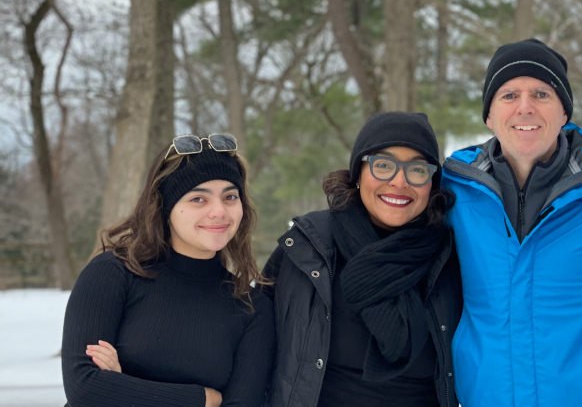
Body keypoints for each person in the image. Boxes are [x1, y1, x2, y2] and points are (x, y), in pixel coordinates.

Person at [442, 39, 582, 406]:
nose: (525, 108)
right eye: (508, 95)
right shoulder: (454, 192)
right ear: (489, 116)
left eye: (541, 93)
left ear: (564, 112)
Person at [262, 112, 461, 407]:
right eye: (383, 165)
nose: (399, 181)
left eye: (417, 170)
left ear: (432, 183)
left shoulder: (451, 258)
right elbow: (254, 346)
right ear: (358, 173)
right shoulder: (307, 249)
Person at [61, 134, 275, 407]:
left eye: (230, 197)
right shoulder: (113, 274)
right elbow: (85, 387)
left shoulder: (250, 306)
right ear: (165, 208)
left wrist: (122, 388)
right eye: (198, 199)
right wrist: (204, 399)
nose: (219, 211)